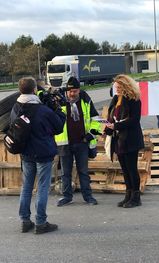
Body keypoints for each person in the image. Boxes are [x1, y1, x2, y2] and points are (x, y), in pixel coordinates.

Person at [11, 77, 66, 234]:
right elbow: (58, 127)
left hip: (26, 153)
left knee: (26, 187)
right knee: (42, 187)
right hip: (43, 153)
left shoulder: (16, 107)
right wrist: (58, 110)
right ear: (34, 89)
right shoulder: (42, 110)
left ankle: (25, 221)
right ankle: (41, 223)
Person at [55, 76, 101, 207]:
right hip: (64, 143)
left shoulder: (85, 100)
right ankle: (66, 196)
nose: (72, 94)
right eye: (70, 91)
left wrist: (90, 134)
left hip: (82, 142)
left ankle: (88, 196)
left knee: (83, 171)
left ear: (79, 90)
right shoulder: (60, 101)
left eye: (75, 91)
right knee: (65, 173)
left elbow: (95, 118)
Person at [105, 74, 145, 208]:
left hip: (131, 138)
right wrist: (108, 129)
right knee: (124, 169)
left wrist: (116, 126)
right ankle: (128, 194)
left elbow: (134, 120)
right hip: (119, 139)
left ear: (125, 86)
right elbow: (111, 117)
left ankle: (136, 196)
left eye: (118, 86)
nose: (116, 88)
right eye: (115, 86)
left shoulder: (134, 99)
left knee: (131, 168)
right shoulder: (116, 99)